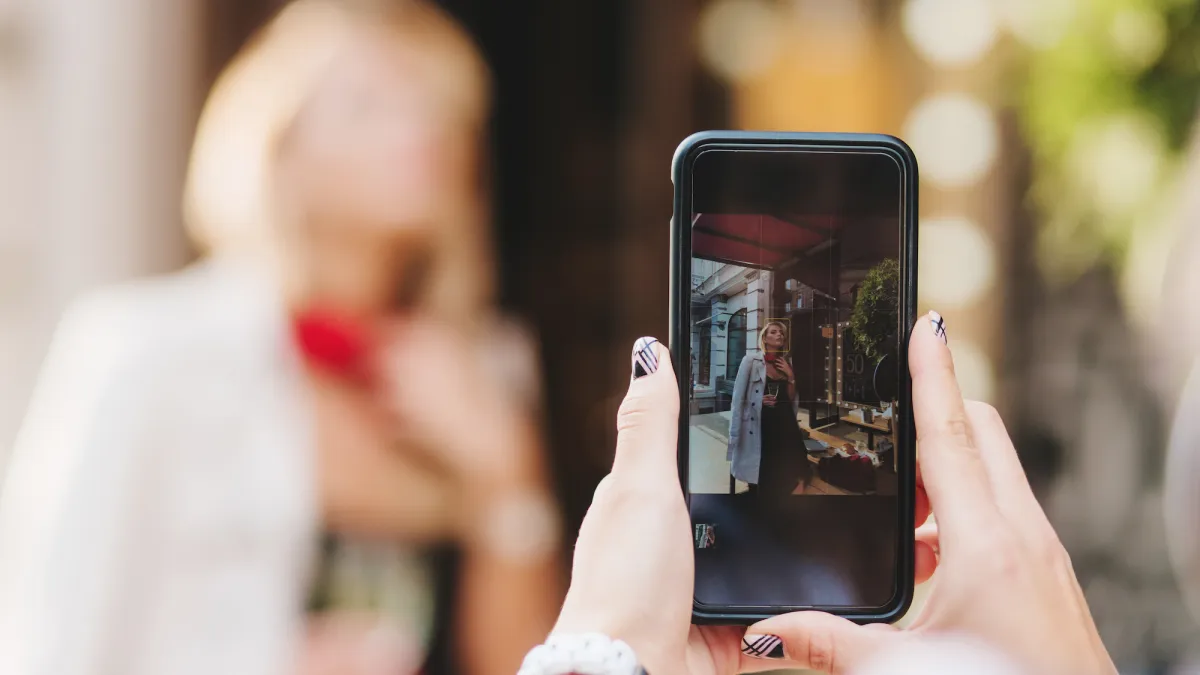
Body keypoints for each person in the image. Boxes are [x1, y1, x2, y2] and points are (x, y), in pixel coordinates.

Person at [0, 2, 561, 674]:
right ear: (278, 149)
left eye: (437, 107)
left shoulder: (486, 367)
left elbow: (527, 661)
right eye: (367, 105)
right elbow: (51, 639)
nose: (419, 132)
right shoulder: (149, 351)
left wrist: (506, 476)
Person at [531, 312, 1116, 675]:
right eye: (774, 333)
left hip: (785, 440)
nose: (778, 339)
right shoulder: (748, 370)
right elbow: (740, 414)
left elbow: (796, 411)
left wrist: (611, 651)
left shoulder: (786, 369)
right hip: (759, 444)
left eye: (780, 334)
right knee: (762, 489)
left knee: (787, 483)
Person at [728, 321, 812, 500]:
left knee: (795, 472)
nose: (779, 335)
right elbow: (738, 398)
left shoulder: (785, 363)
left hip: (785, 422)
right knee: (766, 474)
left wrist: (790, 376)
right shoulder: (750, 361)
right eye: (774, 332)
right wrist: (757, 400)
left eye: (781, 333)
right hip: (761, 423)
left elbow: (790, 398)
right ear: (765, 338)